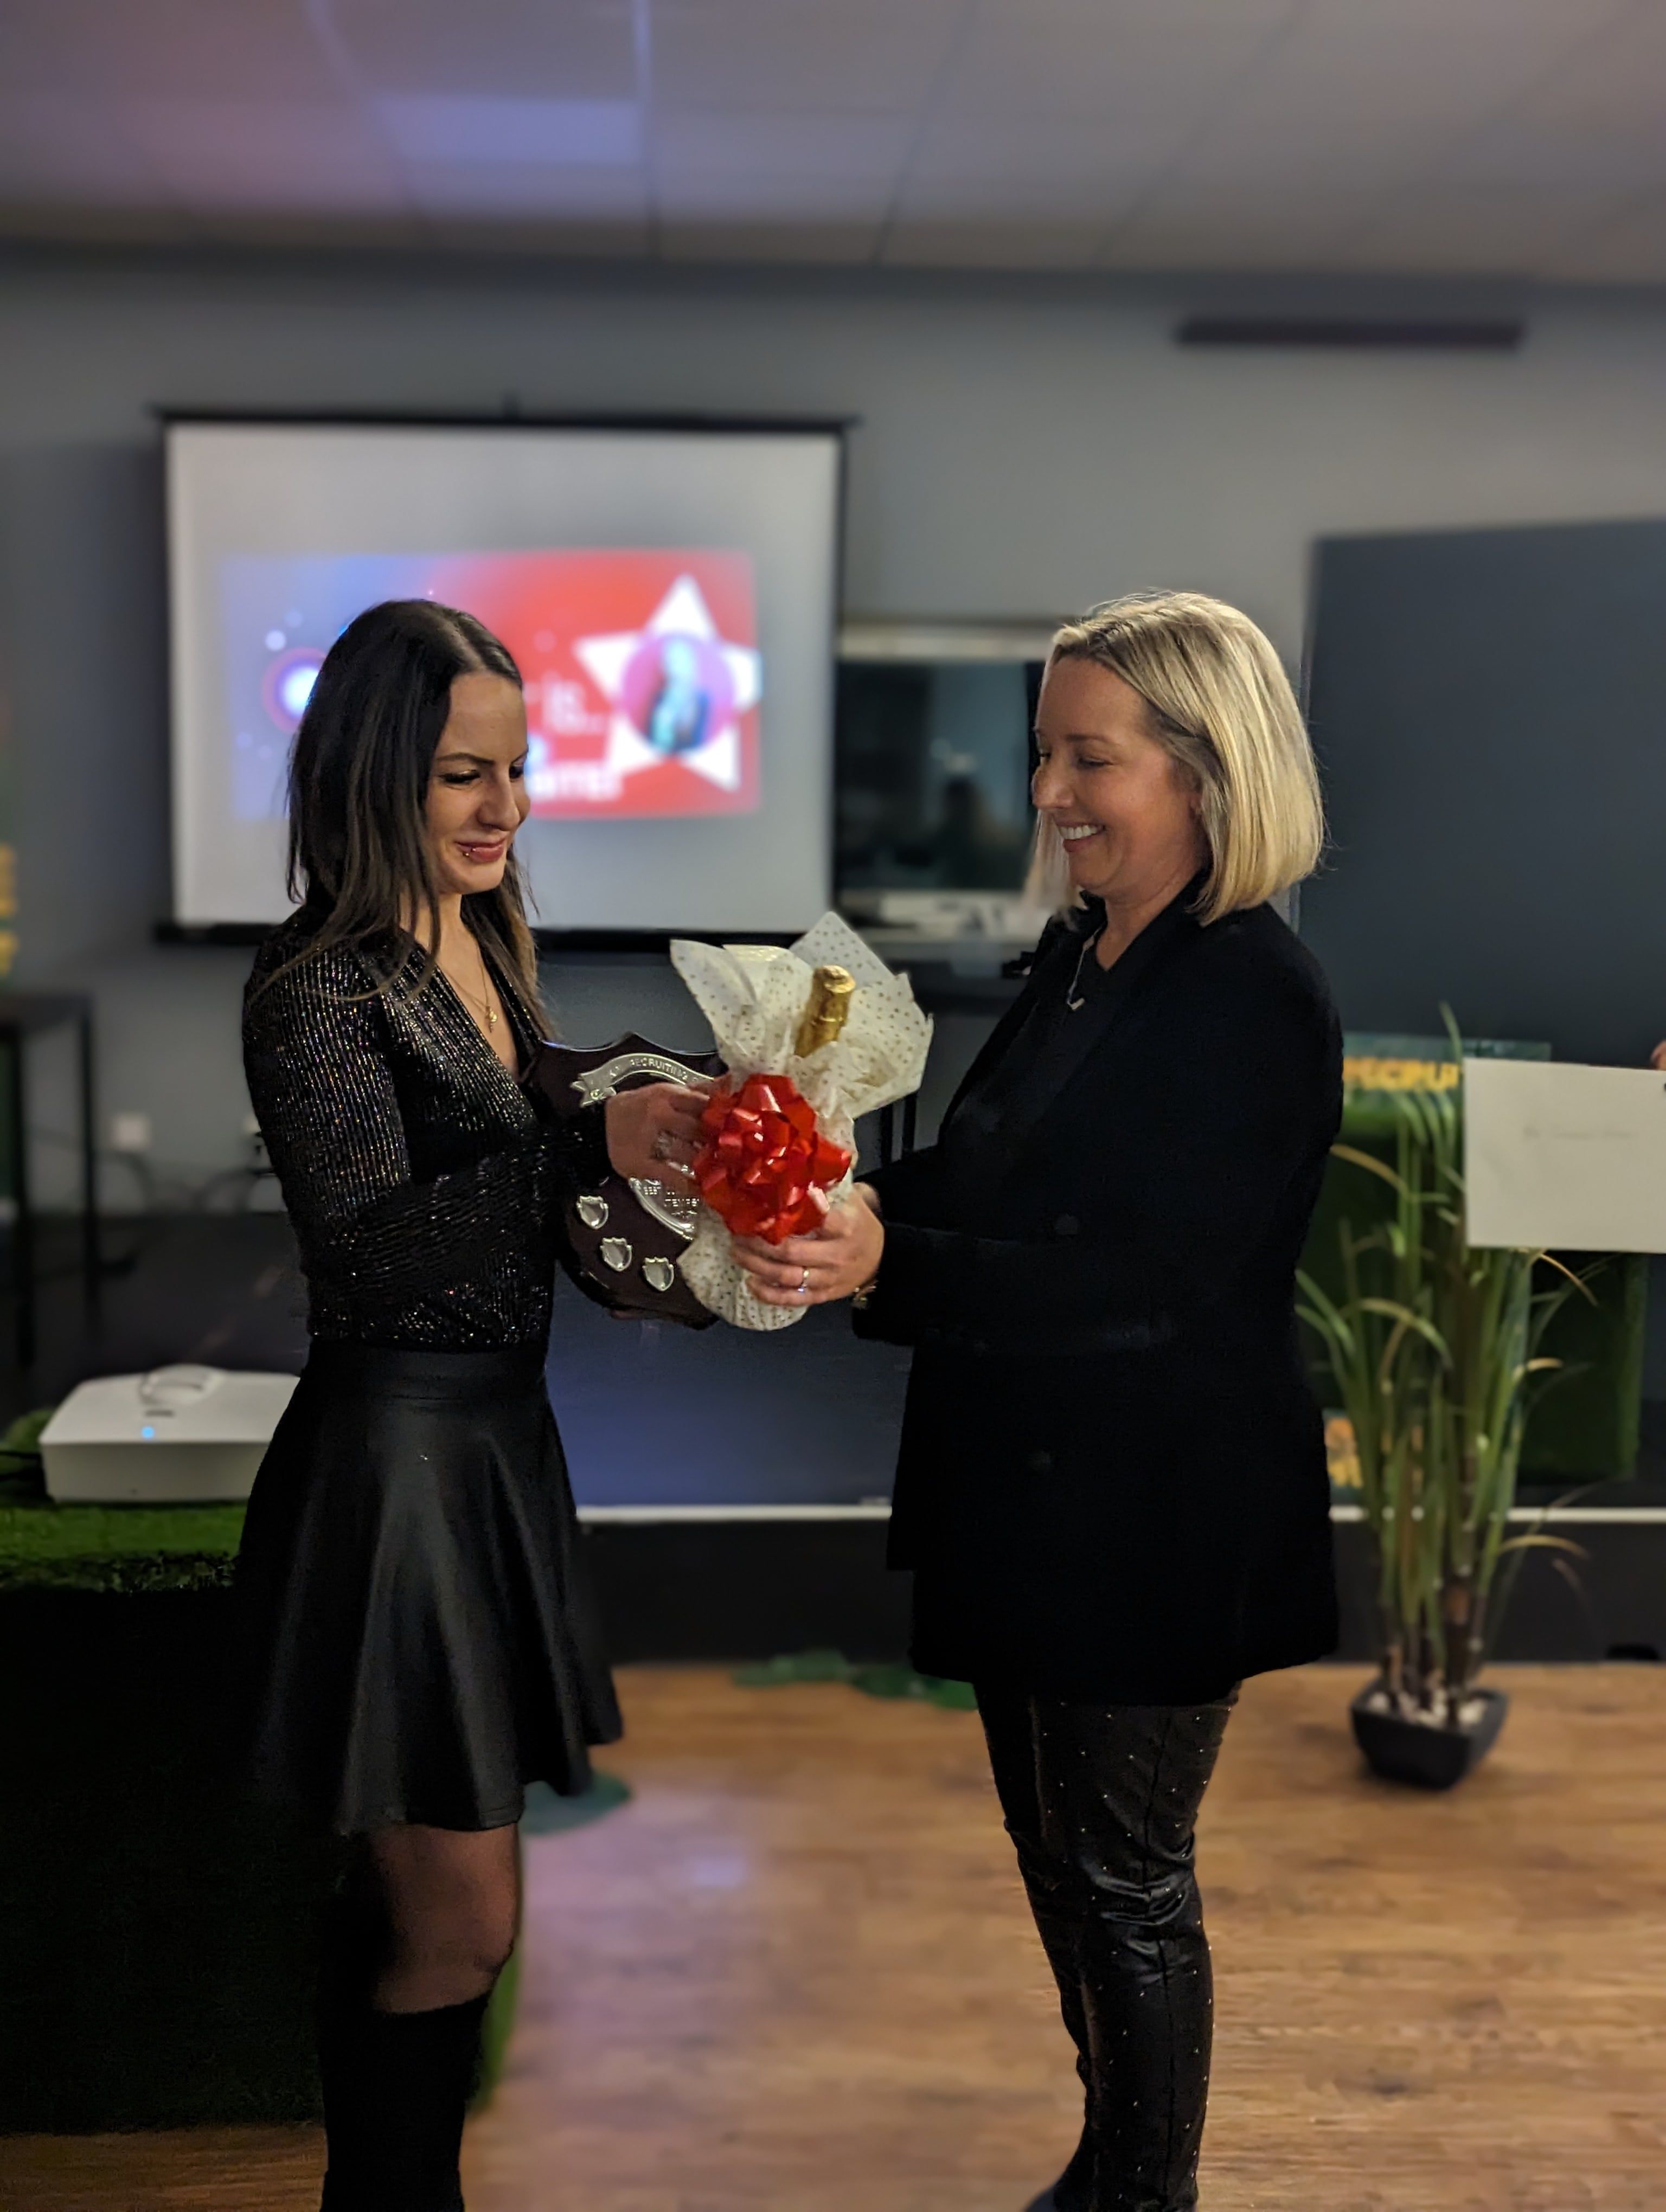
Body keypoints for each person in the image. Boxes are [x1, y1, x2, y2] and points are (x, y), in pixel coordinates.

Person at [735, 591, 1342, 2212]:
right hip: (1033, 1498)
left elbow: (1149, 1284)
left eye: (1094, 758)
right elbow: (1004, 1184)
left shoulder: (1255, 998)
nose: (1054, 794)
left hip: (1157, 1520)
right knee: (1067, 1871)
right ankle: (1111, 2166)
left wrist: (889, 1265)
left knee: (1128, 1886)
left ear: (1208, 771)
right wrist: (831, 1202)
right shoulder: (1090, 957)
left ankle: (1147, 2196)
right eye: (1045, 756)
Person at [237, 599, 706, 2212]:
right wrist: (589, 1148)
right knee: (460, 1924)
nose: (505, 809)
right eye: (461, 776)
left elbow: (531, 1216)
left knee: (432, 1917)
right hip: (397, 1469)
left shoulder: (489, 945)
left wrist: (681, 1221)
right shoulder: (315, 985)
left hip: (494, 1447)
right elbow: (367, 1251)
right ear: (374, 779)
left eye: (516, 770)